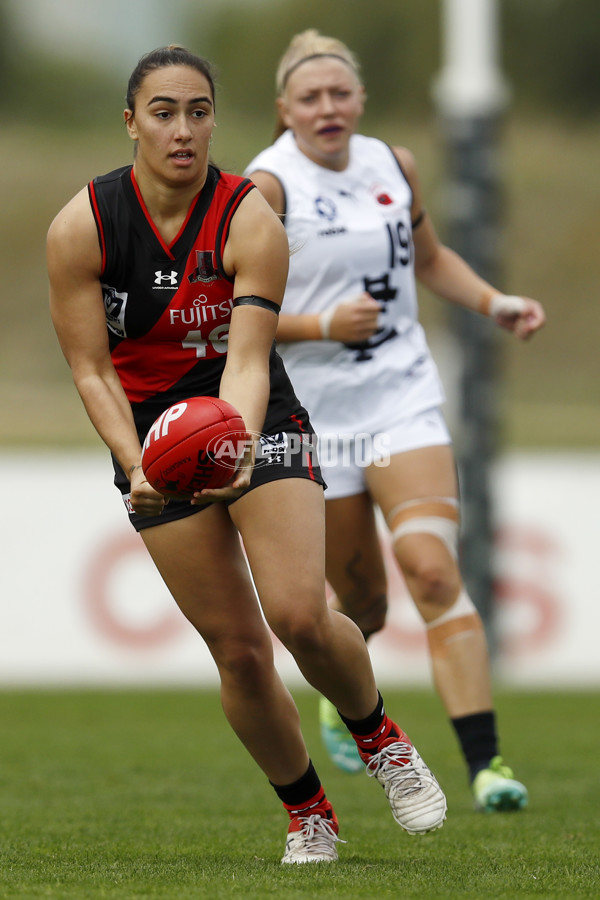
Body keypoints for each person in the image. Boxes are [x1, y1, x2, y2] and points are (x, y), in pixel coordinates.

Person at [47, 45, 447, 864]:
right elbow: (91, 369)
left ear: (215, 120)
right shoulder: (81, 225)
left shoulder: (250, 216)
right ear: (131, 123)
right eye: (163, 112)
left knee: (300, 611)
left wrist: (234, 437)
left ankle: (380, 738)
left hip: (253, 412)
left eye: (198, 111)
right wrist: (136, 466)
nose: (183, 130)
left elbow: (251, 357)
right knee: (236, 647)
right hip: (155, 433)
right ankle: (308, 813)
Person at [245, 29, 546, 813]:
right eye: (310, 97)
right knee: (364, 604)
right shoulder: (267, 188)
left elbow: (429, 255)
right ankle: (346, 689)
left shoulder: (394, 163)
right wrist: (319, 327)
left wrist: (496, 303)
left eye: (340, 93)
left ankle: (487, 765)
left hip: (399, 396)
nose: (328, 108)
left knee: (436, 570)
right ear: (285, 110)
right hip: (315, 418)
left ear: (360, 100)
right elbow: (232, 317)